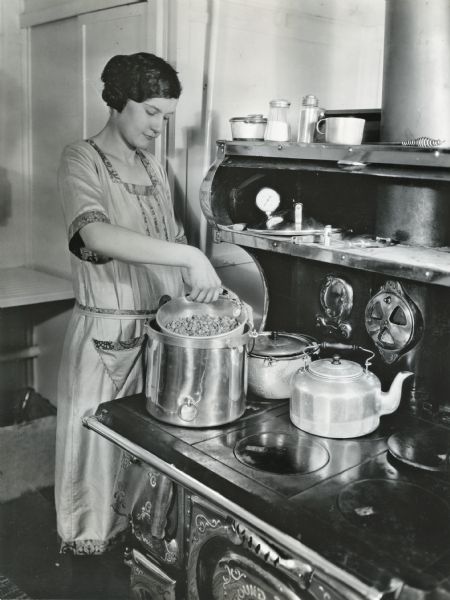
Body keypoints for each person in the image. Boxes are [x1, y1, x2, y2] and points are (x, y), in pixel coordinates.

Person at [55, 52, 221, 555]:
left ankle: (140, 557)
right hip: (103, 342)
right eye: (151, 111)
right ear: (117, 100)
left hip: (155, 338)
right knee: (98, 462)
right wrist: (190, 254)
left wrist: (200, 297)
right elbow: (94, 233)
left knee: (146, 465)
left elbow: (168, 246)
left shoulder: (153, 167)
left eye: (165, 117)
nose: (158, 127)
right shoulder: (80, 158)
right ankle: (87, 565)